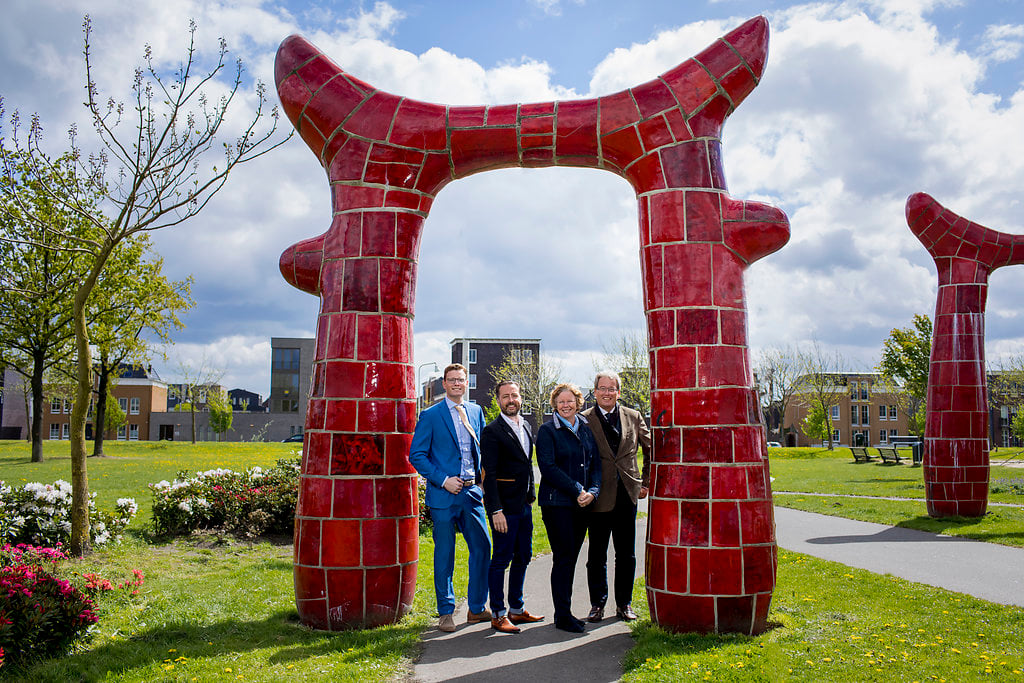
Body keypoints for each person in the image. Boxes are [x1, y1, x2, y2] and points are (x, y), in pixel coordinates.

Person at [409, 363, 491, 633]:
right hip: (444, 495)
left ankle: (476, 608)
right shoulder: (431, 415)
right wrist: (444, 479)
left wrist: (481, 482)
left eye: (461, 379)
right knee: (445, 554)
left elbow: (482, 449)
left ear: (466, 383)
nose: (457, 383)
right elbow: (417, 455)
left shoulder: (476, 412)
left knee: (482, 547)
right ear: (444, 384)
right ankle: (446, 612)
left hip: (472, 493)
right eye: (452, 379)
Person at [581, 370, 651, 622]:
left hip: (626, 494)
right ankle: (597, 604)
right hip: (597, 495)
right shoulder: (584, 419)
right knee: (596, 556)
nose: (607, 393)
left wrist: (645, 482)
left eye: (612, 389)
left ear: (618, 392)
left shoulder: (633, 416)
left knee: (626, 555)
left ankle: (624, 604)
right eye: (602, 388)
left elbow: (650, 449)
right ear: (595, 392)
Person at [536, 382, 601, 633]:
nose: (566, 405)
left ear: (578, 403)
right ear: (555, 404)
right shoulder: (547, 430)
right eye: (561, 401)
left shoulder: (586, 428)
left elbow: (596, 465)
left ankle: (566, 612)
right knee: (563, 558)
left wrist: (593, 491)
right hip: (557, 504)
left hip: (582, 504)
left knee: (571, 558)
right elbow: (548, 468)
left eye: (570, 401)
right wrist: (577, 489)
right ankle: (562, 616)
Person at [480, 380, 545, 633]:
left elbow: (526, 464)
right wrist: (495, 510)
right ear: (498, 400)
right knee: (501, 559)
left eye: (514, 395)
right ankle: (498, 613)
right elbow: (489, 474)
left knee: (523, 556)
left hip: (524, 505)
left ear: (520, 398)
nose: (511, 400)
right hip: (503, 509)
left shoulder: (526, 425)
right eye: (505, 396)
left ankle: (516, 609)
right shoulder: (492, 431)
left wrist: (531, 495)